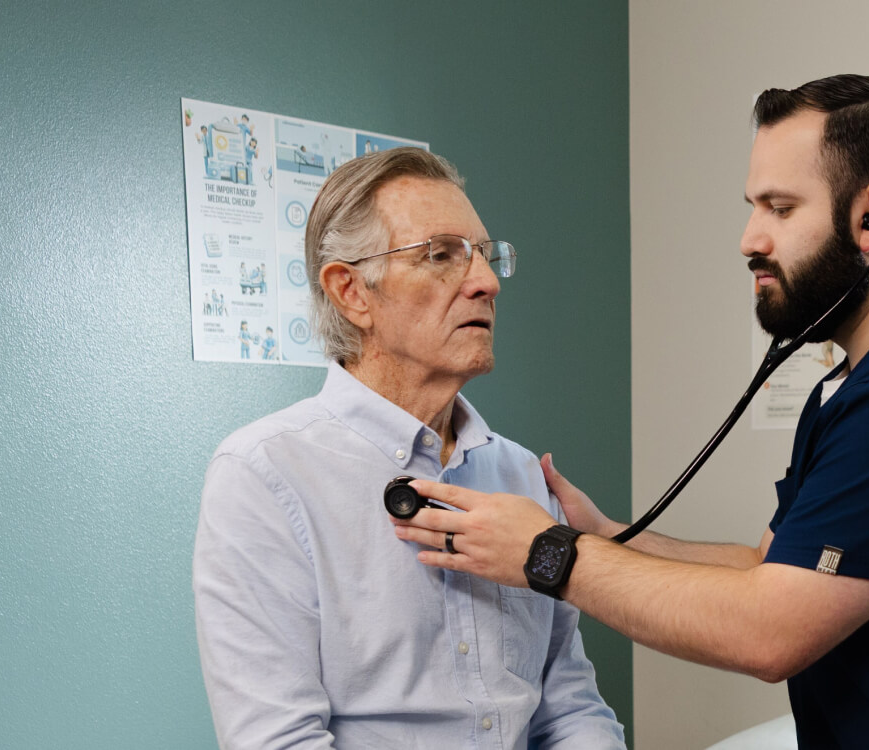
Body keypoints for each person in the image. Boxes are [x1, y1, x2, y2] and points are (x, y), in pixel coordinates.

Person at [393, 74, 869, 748]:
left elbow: (769, 633)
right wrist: (607, 536)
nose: (750, 238)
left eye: (780, 207)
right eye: (753, 207)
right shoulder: (860, 378)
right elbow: (769, 566)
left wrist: (545, 555)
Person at [193, 147, 624, 750]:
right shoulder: (263, 477)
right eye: (441, 256)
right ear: (352, 292)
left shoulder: (523, 476)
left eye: (483, 255)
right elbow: (279, 741)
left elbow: (570, 710)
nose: (487, 282)